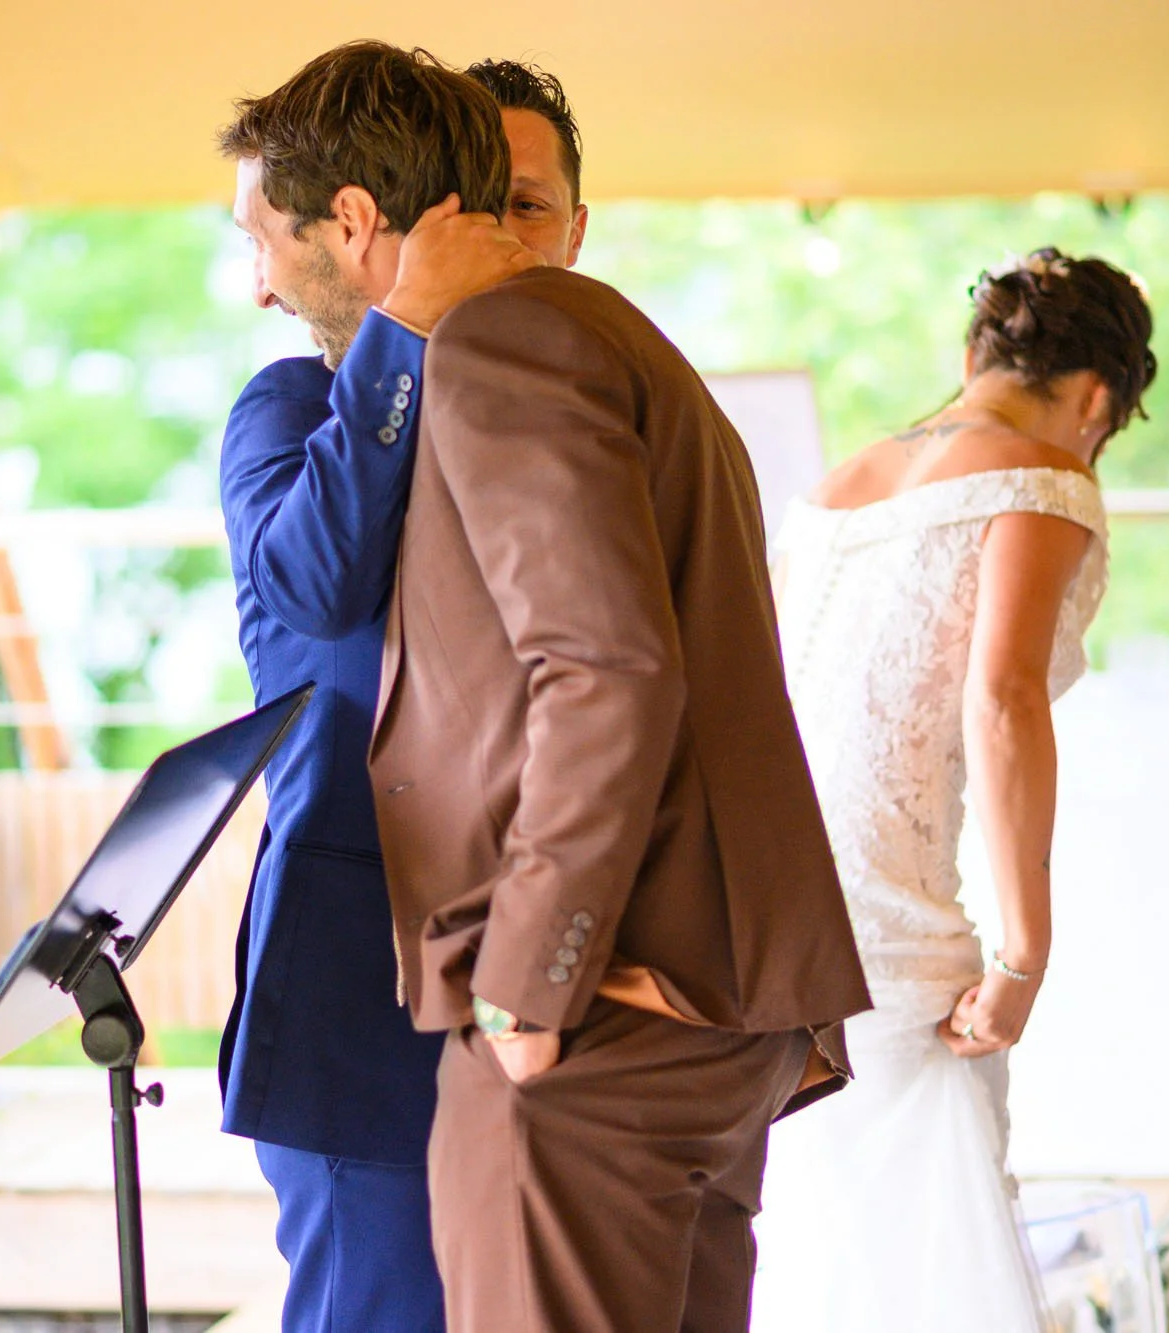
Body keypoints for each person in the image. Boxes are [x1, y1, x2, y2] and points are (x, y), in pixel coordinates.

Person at [225, 41, 872, 1333]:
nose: (257, 284)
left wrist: (530, 976)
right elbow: (316, 584)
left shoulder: (525, 349)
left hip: (590, 998)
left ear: (352, 220)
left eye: (265, 237)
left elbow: (609, 671)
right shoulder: (589, 354)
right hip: (457, 984)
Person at [215, 54, 587, 1333]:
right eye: (468, 210)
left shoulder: (579, 413)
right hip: (356, 985)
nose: (491, 237)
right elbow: (317, 586)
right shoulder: (289, 407)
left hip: (559, 979)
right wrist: (406, 327)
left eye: (520, 206)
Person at [751, 248, 1156, 1332]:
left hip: (769, 923)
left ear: (974, 357)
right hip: (894, 941)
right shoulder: (1041, 477)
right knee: (927, 1263)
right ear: (1096, 399)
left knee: (814, 1247)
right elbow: (1004, 700)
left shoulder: (828, 494)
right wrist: (1025, 954)